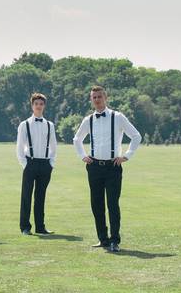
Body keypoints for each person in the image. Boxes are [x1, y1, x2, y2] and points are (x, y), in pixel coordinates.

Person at [73, 85, 142, 252]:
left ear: (106, 97)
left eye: (99, 96)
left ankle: (114, 240)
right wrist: (83, 155)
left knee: (112, 204)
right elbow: (77, 139)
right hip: (94, 166)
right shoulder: (88, 120)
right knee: (96, 204)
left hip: (113, 167)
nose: (97, 100)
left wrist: (127, 155)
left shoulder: (117, 117)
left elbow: (136, 136)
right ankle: (102, 239)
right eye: (94, 97)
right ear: (91, 100)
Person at [16, 92, 58, 235]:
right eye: (36, 104)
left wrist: (51, 163)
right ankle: (25, 227)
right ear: (32, 106)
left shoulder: (50, 125)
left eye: (41, 104)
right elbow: (19, 146)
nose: (38, 106)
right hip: (30, 163)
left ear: (44, 106)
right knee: (26, 196)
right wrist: (24, 164)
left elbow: (53, 145)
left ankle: (40, 227)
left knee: (41, 196)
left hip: (45, 164)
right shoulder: (24, 124)